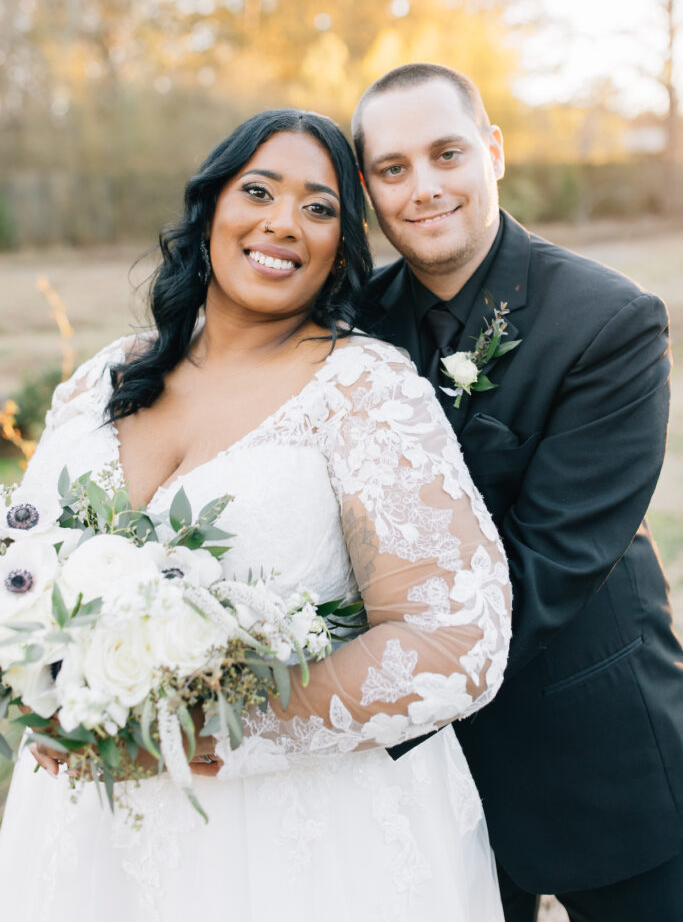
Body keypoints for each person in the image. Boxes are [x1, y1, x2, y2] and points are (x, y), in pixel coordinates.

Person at [0, 108, 511, 921]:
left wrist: (223, 729)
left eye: (318, 208)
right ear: (210, 210)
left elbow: (456, 639)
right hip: (79, 817)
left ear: (341, 249)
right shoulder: (106, 375)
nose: (282, 221)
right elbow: (20, 557)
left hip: (293, 844)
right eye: (259, 190)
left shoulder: (366, 392)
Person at [352, 63, 683, 922]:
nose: (422, 189)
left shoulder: (609, 322)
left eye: (446, 154)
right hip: (420, 783)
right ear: (367, 188)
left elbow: (555, 560)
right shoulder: (349, 327)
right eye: (392, 169)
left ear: (492, 152)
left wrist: (353, 694)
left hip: (594, 751)